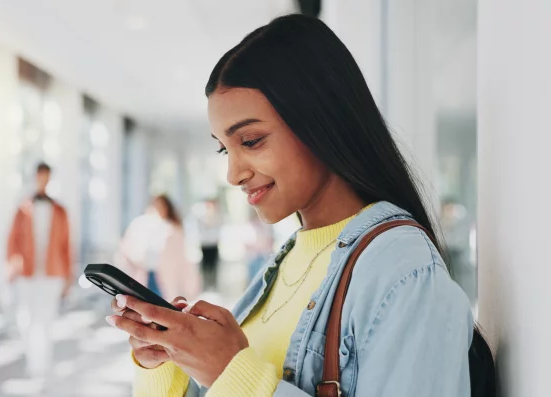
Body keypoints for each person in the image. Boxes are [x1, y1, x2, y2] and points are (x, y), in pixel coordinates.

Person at [106, 15, 485, 397]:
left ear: (322, 122)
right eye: (224, 148)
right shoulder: (286, 260)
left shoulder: (403, 270)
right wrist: (167, 362)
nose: (233, 173)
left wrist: (234, 373)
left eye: (251, 141)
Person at [7, 162, 72, 378]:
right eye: (40, 176)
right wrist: (12, 267)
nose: (43, 180)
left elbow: (66, 246)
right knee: (25, 319)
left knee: (45, 320)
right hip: (26, 274)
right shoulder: (23, 208)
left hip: (52, 274)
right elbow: (12, 241)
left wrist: (68, 278)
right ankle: (32, 358)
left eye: (47, 177)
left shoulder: (60, 211)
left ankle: (40, 368)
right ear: (35, 177)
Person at [115, 195, 201, 301]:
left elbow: (183, 259)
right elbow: (127, 249)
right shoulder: (141, 225)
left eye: (162, 206)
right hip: (146, 274)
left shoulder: (174, 231)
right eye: (156, 206)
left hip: (166, 278)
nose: (158, 210)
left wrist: (189, 287)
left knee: (160, 306)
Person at [193, 199, 222, 290]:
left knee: (214, 265)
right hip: (205, 245)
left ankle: (213, 285)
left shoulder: (217, 216)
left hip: (214, 244)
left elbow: (219, 228)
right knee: (205, 266)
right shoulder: (202, 216)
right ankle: (205, 285)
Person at [243, 209, 274, 284]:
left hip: (264, 256)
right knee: (253, 279)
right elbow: (246, 243)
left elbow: (270, 240)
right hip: (253, 257)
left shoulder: (266, 225)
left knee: (262, 279)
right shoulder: (249, 225)